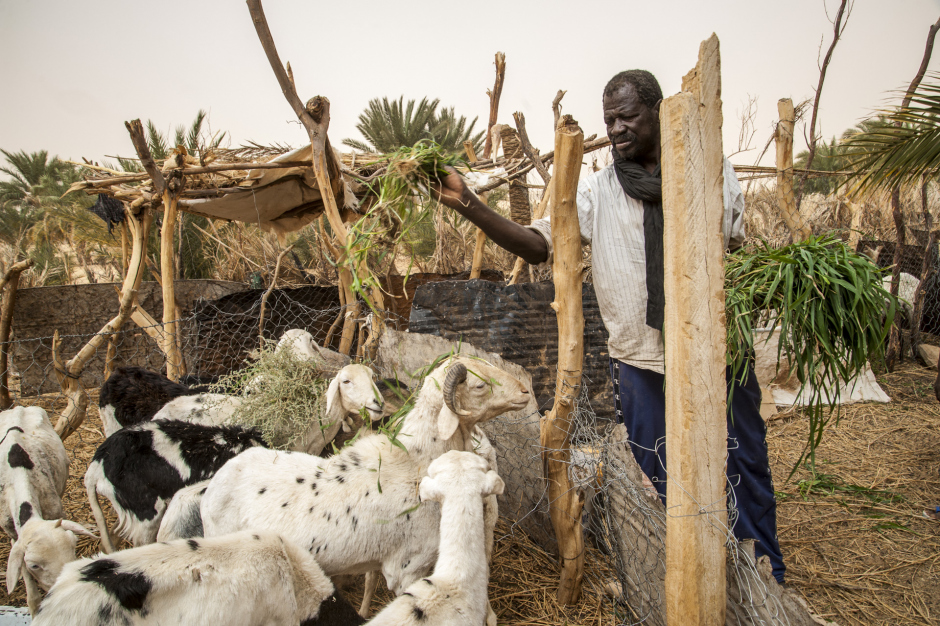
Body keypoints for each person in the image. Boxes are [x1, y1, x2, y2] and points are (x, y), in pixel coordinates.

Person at [432, 69, 786, 584]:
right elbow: (539, 244)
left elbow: (733, 245)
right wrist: (469, 203)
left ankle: (763, 580)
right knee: (658, 477)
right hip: (640, 360)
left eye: (626, 117)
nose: (615, 129)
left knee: (742, 465)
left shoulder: (708, 170)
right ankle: (690, 578)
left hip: (716, 354)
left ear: (659, 114)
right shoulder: (597, 191)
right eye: (608, 120)